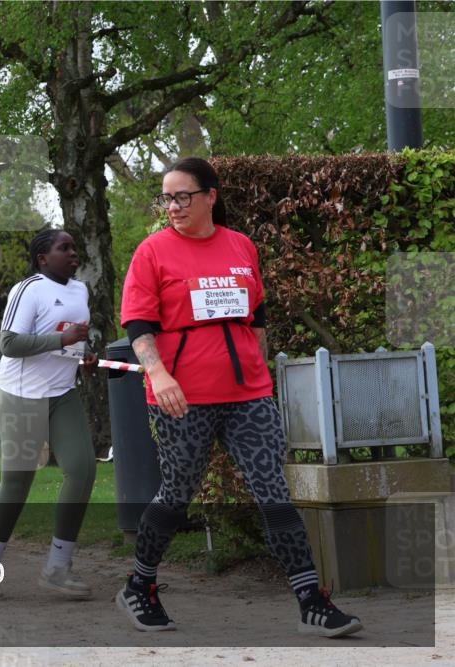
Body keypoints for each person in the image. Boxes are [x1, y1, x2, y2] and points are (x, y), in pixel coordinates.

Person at [118, 156, 361, 637]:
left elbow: (258, 320)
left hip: (249, 396)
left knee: (274, 493)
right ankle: (139, 586)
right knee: (176, 495)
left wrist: (261, 373)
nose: (173, 206)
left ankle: (312, 601)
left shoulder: (241, 247)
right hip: (181, 399)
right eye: (166, 197)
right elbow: (138, 324)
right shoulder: (152, 252)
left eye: (183, 196)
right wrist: (159, 375)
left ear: (211, 196)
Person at [0, 229, 98, 602]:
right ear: (43, 257)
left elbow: (75, 338)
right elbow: (9, 344)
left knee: (82, 469)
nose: (73, 253)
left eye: (75, 247)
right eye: (65, 248)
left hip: (62, 393)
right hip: (21, 395)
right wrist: (61, 341)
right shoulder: (27, 289)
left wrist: (84, 354)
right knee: (19, 483)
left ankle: (58, 567)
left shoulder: (80, 290)